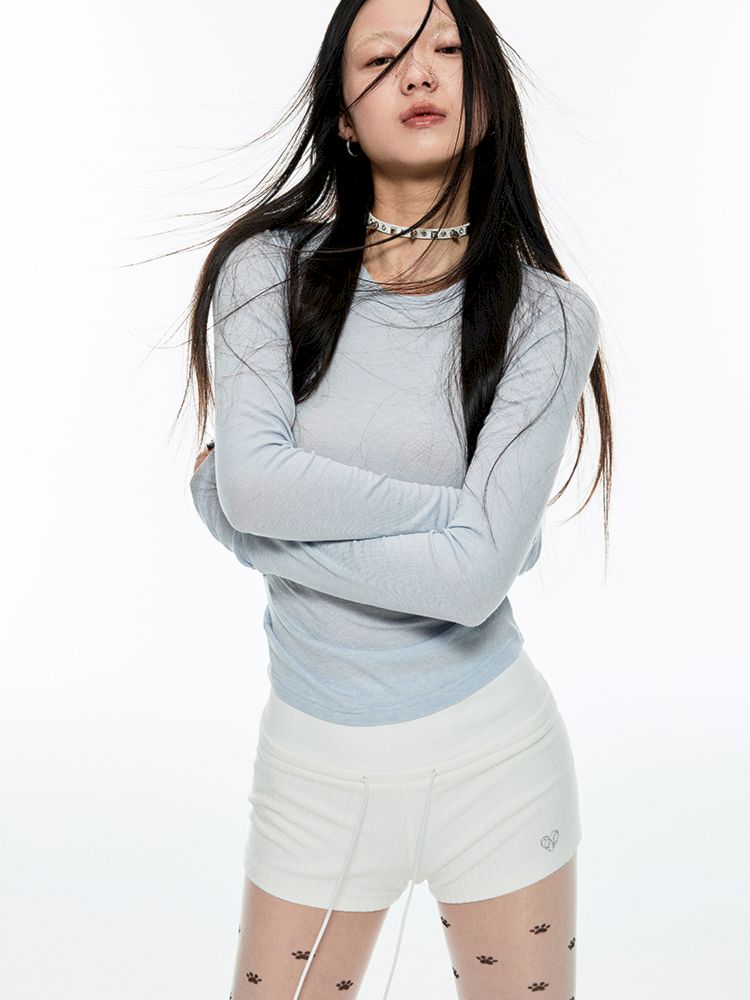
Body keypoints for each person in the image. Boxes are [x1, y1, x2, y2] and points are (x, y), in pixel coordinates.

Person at [182, 1, 613, 998]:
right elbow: (257, 483)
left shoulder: (549, 317)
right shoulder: (265, 273)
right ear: (342, 113)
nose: (420, 74)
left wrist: (248, 531)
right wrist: (467, 523)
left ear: (487, 97)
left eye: (449, 50)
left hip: (497, 763)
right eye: (384, 57)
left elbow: (469, 583)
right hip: (313, 775)